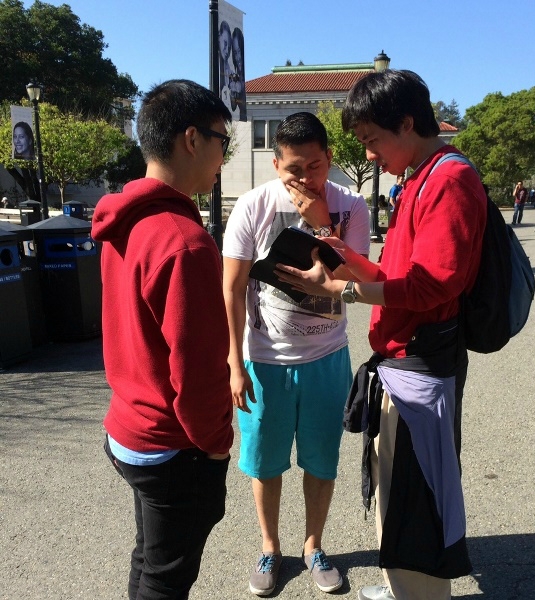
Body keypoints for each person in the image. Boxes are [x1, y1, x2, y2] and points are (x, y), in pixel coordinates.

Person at [274, 70, 487, 600]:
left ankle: (419, 593)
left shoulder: (449, 180)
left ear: (408, 124)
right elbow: (391, 272)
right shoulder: (419, 177)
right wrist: (337, 256)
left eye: (372, 140)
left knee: (419, 495)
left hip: (422, 363)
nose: (369, 156)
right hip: (402, 362)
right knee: (398, 488)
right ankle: (403, 586)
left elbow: (432, 285)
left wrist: (339, 293)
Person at [91, 80, 234, 600]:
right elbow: (197, 374)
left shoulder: (123, 222)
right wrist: (218, 446)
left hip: (127, 427)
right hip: (170, 443)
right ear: (191, 139)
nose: (224, 154)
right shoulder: (184, 243)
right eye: (224, 139)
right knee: (167, 578)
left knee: (150, 560)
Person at [222, 111, 370, 596]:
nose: (305, 179)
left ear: (329, 159)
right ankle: (270, 546)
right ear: (275, 164)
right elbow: (232, 287)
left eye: (315, 166)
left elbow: (357, 281)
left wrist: (321, 223)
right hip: (265, 358)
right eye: (294, 170)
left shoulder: (353, 206)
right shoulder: (251, 206)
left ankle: (313, 545)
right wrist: (234, 363)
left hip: (326, 356)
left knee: (321, 459)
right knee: (265, 461)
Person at [230, 27, 247, 120]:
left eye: (239, 52)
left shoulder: (242, 80)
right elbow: (232, 107)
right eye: (235, 53)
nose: (238, 57)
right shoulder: (232, 77)